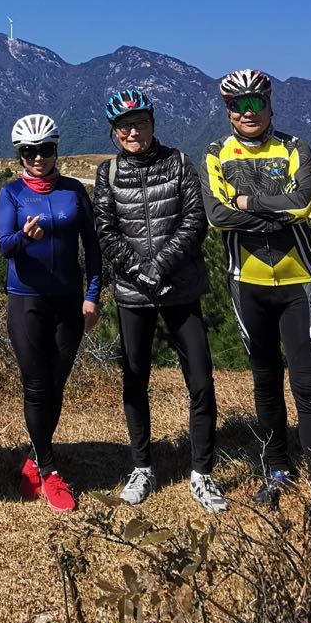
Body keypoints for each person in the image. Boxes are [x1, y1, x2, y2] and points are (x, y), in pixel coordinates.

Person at [201, 69, 311, 507]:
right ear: (227, 111)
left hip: (299, 281)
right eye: (237, 105)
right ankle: (277, 468)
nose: (247, 112)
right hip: (247, 283)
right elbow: (218, 217)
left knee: (309, 384)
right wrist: (272, 212)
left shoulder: (296, 148)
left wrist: (247, 202)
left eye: (255, 102)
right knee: (265, 381)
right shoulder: (215, 152)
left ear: (269, 102)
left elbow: (302, 205)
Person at [93, 88, 225, 513]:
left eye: (140, 123)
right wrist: (138, 268)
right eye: (125, 126)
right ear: (115, 133)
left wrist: (161, 265)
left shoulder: (180, 162)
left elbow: (194, 220)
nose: (133, 132)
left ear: (153, 124)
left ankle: (202, 473)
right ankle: (142, 465)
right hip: (133, 294)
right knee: (135, 380)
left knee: (201, 379)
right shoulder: (107, 173)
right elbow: (105, 229)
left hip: (179, 288)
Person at [0, 113, 102, 512]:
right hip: (26, 301)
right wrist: (24, 237)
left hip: (69, 301)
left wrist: (92, 294)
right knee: (37, 385)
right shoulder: (11, 194)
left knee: (55, 385)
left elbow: (92, 246)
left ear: (56, 150)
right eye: (30, 151)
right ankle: (50, 470)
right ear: (20, 155)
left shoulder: (74, 190)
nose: (39, 157)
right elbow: (4, 245)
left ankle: (33, 457)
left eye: (46, 149)